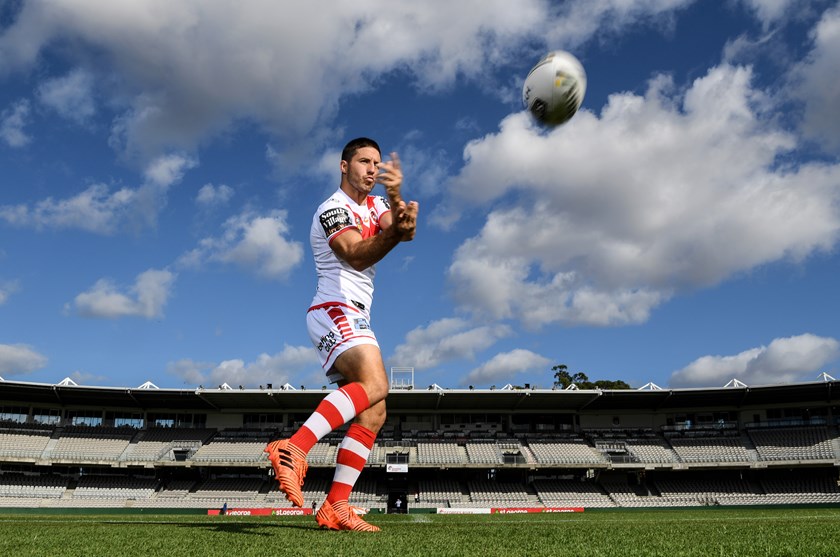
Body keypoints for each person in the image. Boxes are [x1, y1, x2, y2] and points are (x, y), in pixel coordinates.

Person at [265, 137, 418, 532]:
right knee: (375, 382)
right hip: (334, 308)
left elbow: (399, 228)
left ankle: (336, 505)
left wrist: (398, 199)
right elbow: (355, 253)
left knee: (375, 409)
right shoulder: (333, 210)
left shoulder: (378, 204)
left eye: (377, 163)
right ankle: (294, 446)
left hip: (355, 314)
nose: (372, 169)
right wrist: (397, 232)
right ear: (344, 166)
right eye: (364, 162)